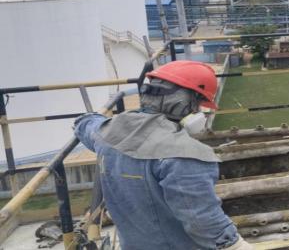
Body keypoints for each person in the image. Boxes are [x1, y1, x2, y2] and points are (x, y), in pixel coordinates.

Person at [73, 61, 251, 250]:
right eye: (198, 106)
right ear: (183, 103)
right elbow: (203, 221)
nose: (199, 112)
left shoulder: (106, 133)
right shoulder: (186, 156)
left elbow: (84, 124)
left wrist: (93, 118)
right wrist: (236, 246)